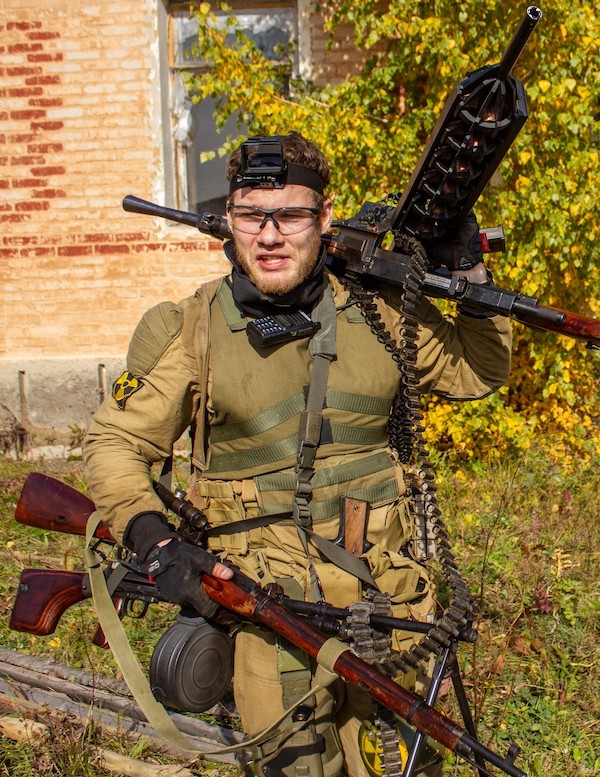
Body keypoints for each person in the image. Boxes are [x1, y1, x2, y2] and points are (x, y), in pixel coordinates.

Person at [84, 132, 512, 777]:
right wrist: (155, 539)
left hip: (389, 607)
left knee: (401, 767)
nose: (270, 235)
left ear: (325, 217)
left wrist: (469, 268)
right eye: (251, 215)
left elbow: (479, 371)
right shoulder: (190, 329)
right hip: (267, 613)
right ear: (228, 220)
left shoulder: (379, 311)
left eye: (290, 215)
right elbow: (115, 442)